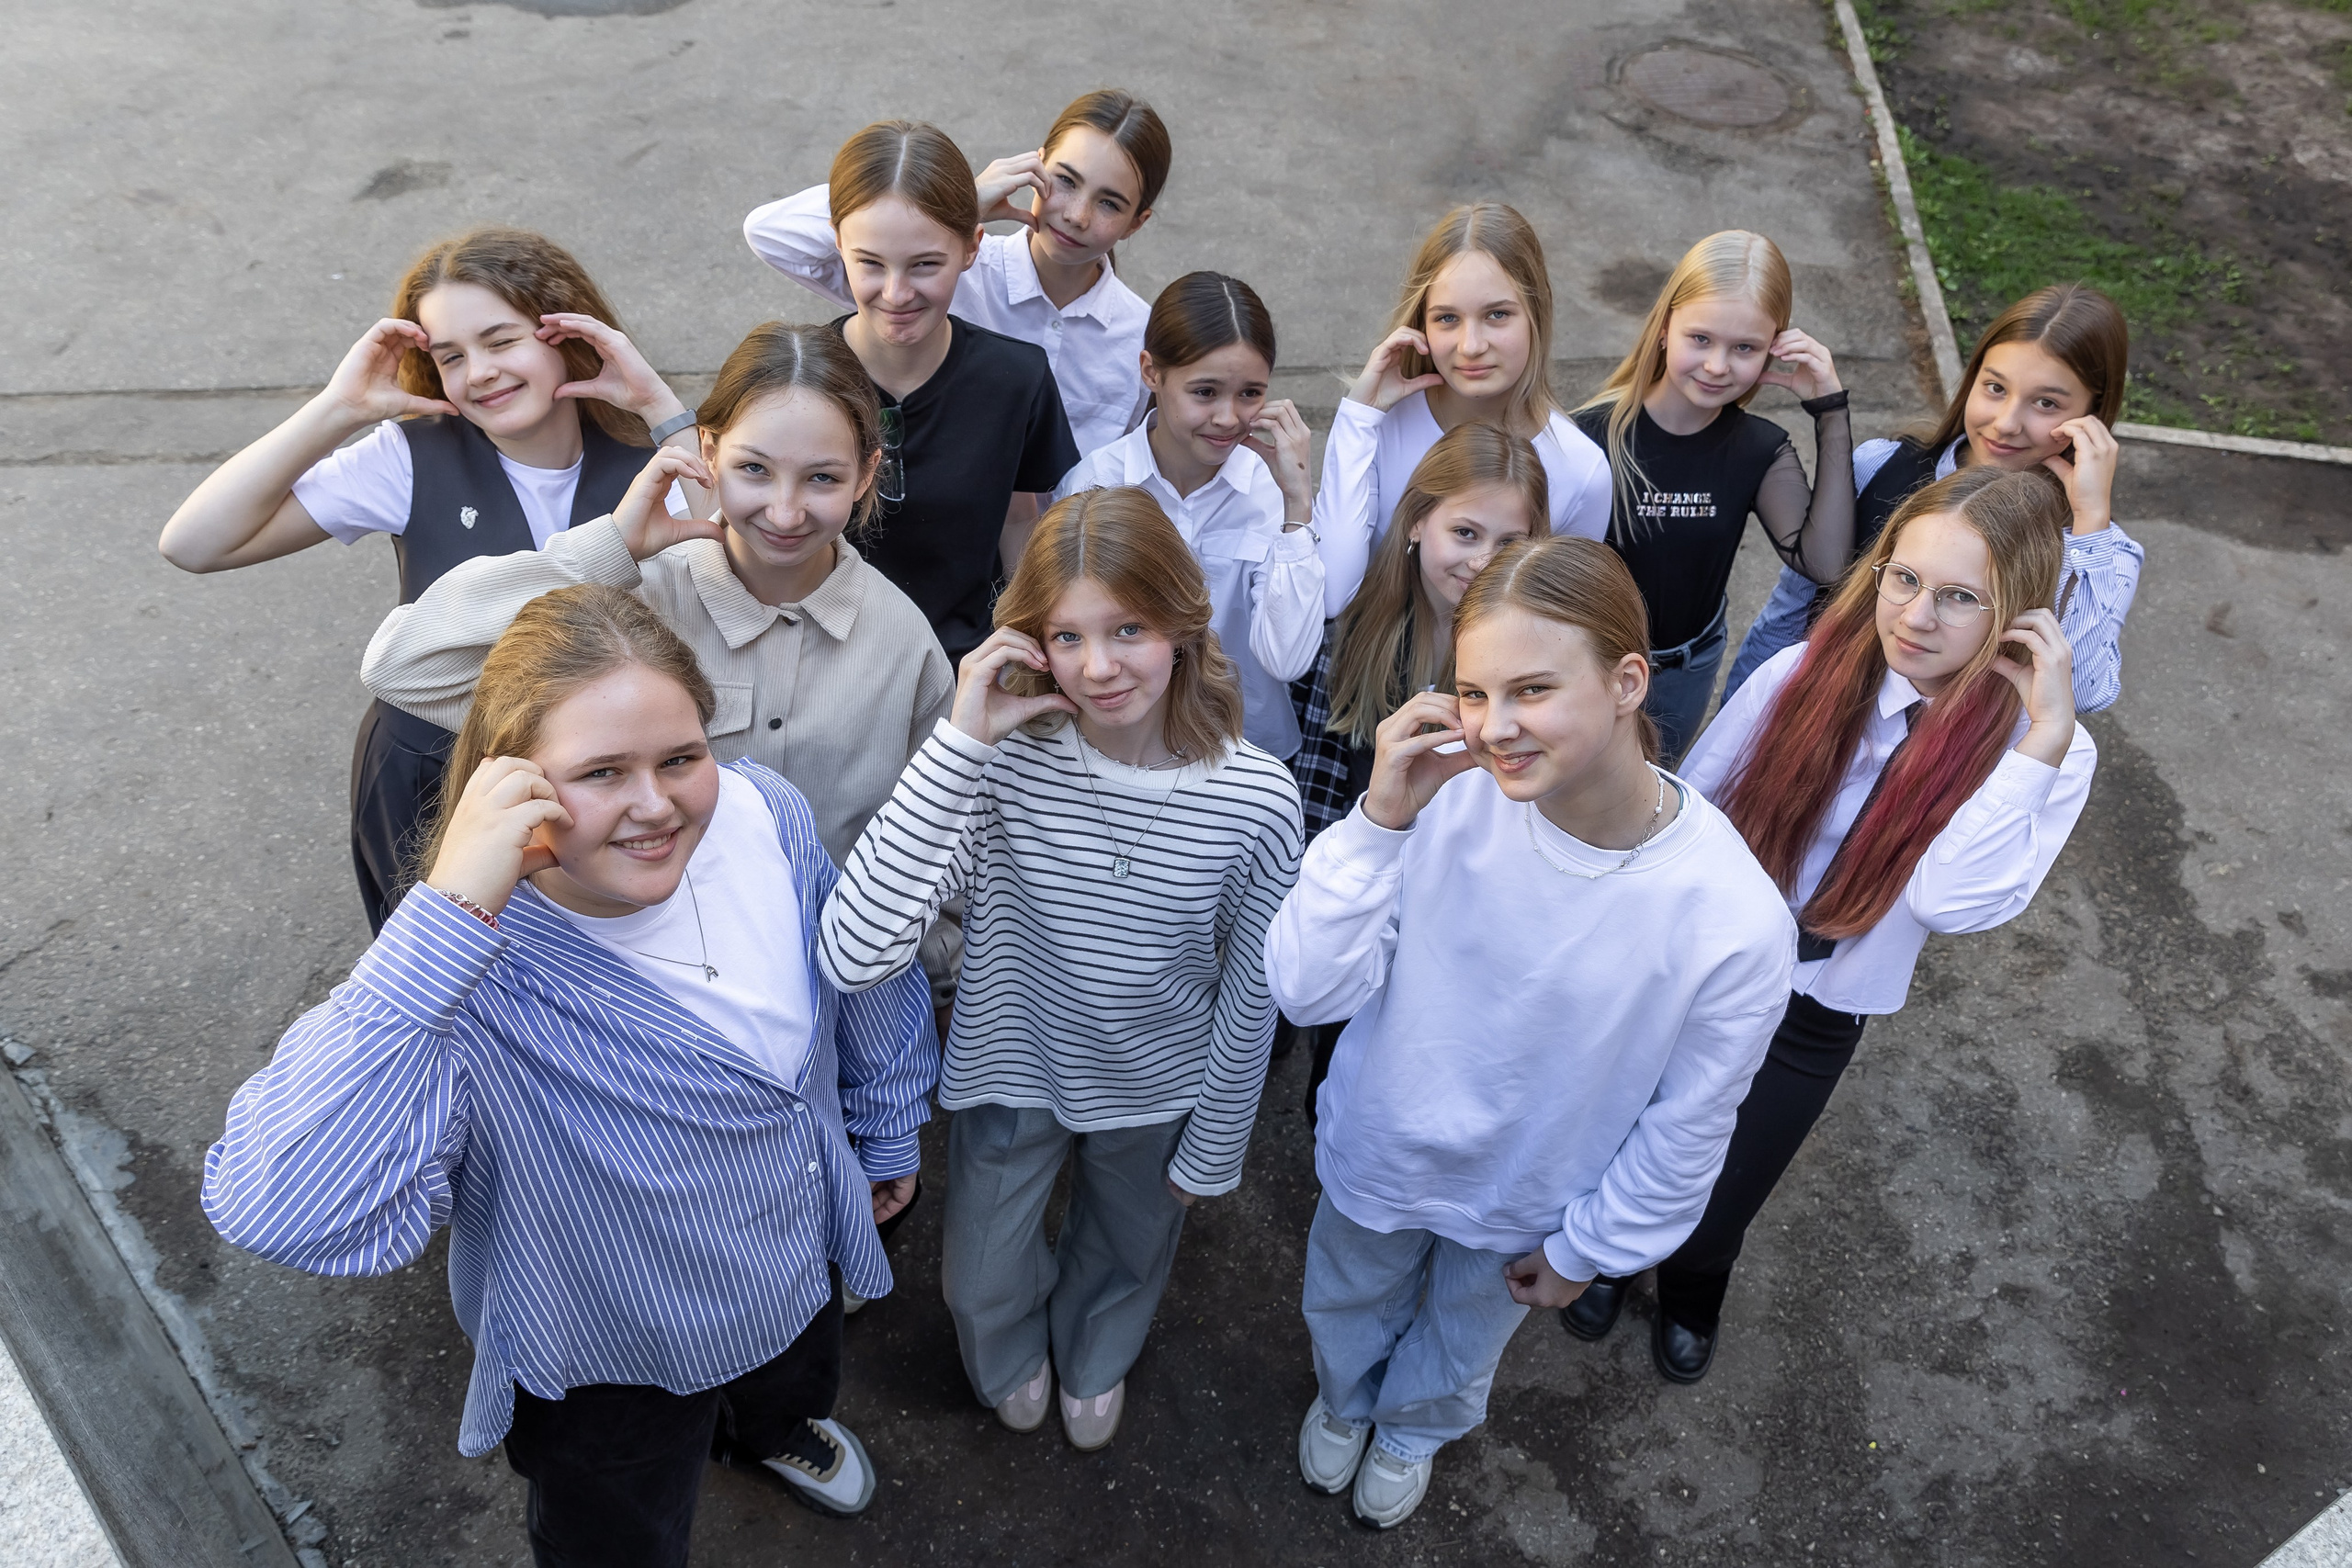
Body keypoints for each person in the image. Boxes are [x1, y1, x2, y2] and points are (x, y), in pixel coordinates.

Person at [201, 585, 939, 1566]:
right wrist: (447, 916)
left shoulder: (764, 811)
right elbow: (284, 1206)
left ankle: (769, 1430)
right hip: (612, 1355)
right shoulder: (467, 980)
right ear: (507, 787)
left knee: (792, 1376)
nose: (656, 805)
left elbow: (858, 979)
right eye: (601, 772)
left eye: (681, 756)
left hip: (794, 1251)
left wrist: (883, 1127)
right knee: (617, 1531)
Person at [1268, 536, 1795, 1529]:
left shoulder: (1729, 917)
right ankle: (1345, 1400)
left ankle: (1414, 1427)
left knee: (1463, 1337)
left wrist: (1591, 1247)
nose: (1495, 728)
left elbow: (1689, 1123)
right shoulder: (1436, 800)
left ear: (1629, 680)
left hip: (1527, 1199)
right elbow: (1304, 990)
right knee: (1345, 1300)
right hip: (1382, 1153)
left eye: (1532, 690)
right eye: (1472, 693)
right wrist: (1377, 823)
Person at [1564, 467, 2098, 1384]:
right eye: (1904, 578)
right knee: (1640, 1122)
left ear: (2019, 614)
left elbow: (1949, 901)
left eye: (1960, 598)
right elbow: (1694, 813)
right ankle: (1607, 1251)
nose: (1917, 618)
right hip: (1712, 965)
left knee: (1735, 1176)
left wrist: (2039, 741)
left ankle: (1695, 1282)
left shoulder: (2046, 751)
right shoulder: (1801, 671)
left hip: (1821, 1003)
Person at [820, 488, 1303, 1453]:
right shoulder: (998, 762)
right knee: (977, 1275)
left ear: (1182, 618)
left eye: (1128, 627)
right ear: (1030, 641)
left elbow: (1252, 990)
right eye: (1067, 636)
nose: (1098, 666)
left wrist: (1214, 1143)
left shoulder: (1256, 798)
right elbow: (854, 947)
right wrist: (960, 740)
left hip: (1157, 1085)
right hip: (1012, 1071)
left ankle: (1095, 1355)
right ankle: (1007, 1357)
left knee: (1127, 1250)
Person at [157, 227, 699, 932]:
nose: (479, 372)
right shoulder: (410, 456)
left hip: (603, 781)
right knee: (443, 976)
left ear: (564, 334)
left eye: (501, 341)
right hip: (432, 773)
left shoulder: (651, 460)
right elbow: (195, 543)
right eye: (451, 356)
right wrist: (338, 408)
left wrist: (661, 406)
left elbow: (742, 561)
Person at [359, 321, 952, 869]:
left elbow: (939, 835)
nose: (785, 510)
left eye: (822, 477)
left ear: (867, 473)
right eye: (755, 469)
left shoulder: (902, 640)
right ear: (710, 453)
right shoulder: (635, 602)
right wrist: (612, 545)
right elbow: (401, 665)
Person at [741, 118, 1081, 662]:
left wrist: (1029, 643)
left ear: (972, 248)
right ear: (838, 247)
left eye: (925, 265)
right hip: (819, 668)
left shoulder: (1017, 380)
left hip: (962, 668)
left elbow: (1019, 519)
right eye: (869, 264)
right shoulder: (797, 383)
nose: (897, 294)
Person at [1280, 422, 1548, 1105]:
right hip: (1358, 884)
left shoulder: (1533, 664)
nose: (1484, 560)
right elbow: (1315, 788)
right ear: (1417, 521)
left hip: (1458, 917)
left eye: (1509, 543)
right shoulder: (1349, 635)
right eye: (1465, 532)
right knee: (1328, 1059)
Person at [1724, 283, 2143, 714]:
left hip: (1941, 772)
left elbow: (2085, 694)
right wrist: (1738, 720)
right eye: (1995, 388)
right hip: (1811, 731)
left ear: (2093, 414)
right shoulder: (1877, 468)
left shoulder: (2098, 552)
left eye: (2046, 403)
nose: (2006, 423)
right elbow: (1791, 612)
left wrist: (2090, 523)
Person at [746, 89, 1168, 457]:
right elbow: (770, 234)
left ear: (1137, 222)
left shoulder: (1141, 335)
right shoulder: (940, 268)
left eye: (1109, 203)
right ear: (1035, 166)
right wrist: (956, 205)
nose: (1077, 216)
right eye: (1066, 181)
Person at [1572, 231, 1855, 763]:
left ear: (1774, 348)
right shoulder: (1588, 435)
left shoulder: (1759, 449)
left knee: (1651, 801)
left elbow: (1827, 563)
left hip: (1685, 670)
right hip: (1586, 662)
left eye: (1744, 347)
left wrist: (1830, 409)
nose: (1718, 365)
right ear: (1663, 329)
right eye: (1700, 339)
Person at [1052, 271, 1323, 760]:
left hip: (1246, 751)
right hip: (1122, 749)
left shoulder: (1270, 491)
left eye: (1250, 393)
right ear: (1151, 373)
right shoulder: (1095, 484)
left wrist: (1298, 506)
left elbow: (1288, 660)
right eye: (1205, 392)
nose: (1228, 417)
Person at [1314, 202, 1611, 614]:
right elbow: (1331, 595)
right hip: (1367, 667)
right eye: (1447, 318)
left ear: (1536, 315)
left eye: (1497, 314)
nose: (1471, 346)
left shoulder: (1582, 471)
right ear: (1421, 325)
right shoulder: (1378, 425)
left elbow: (1563, 621)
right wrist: (1357, 417)